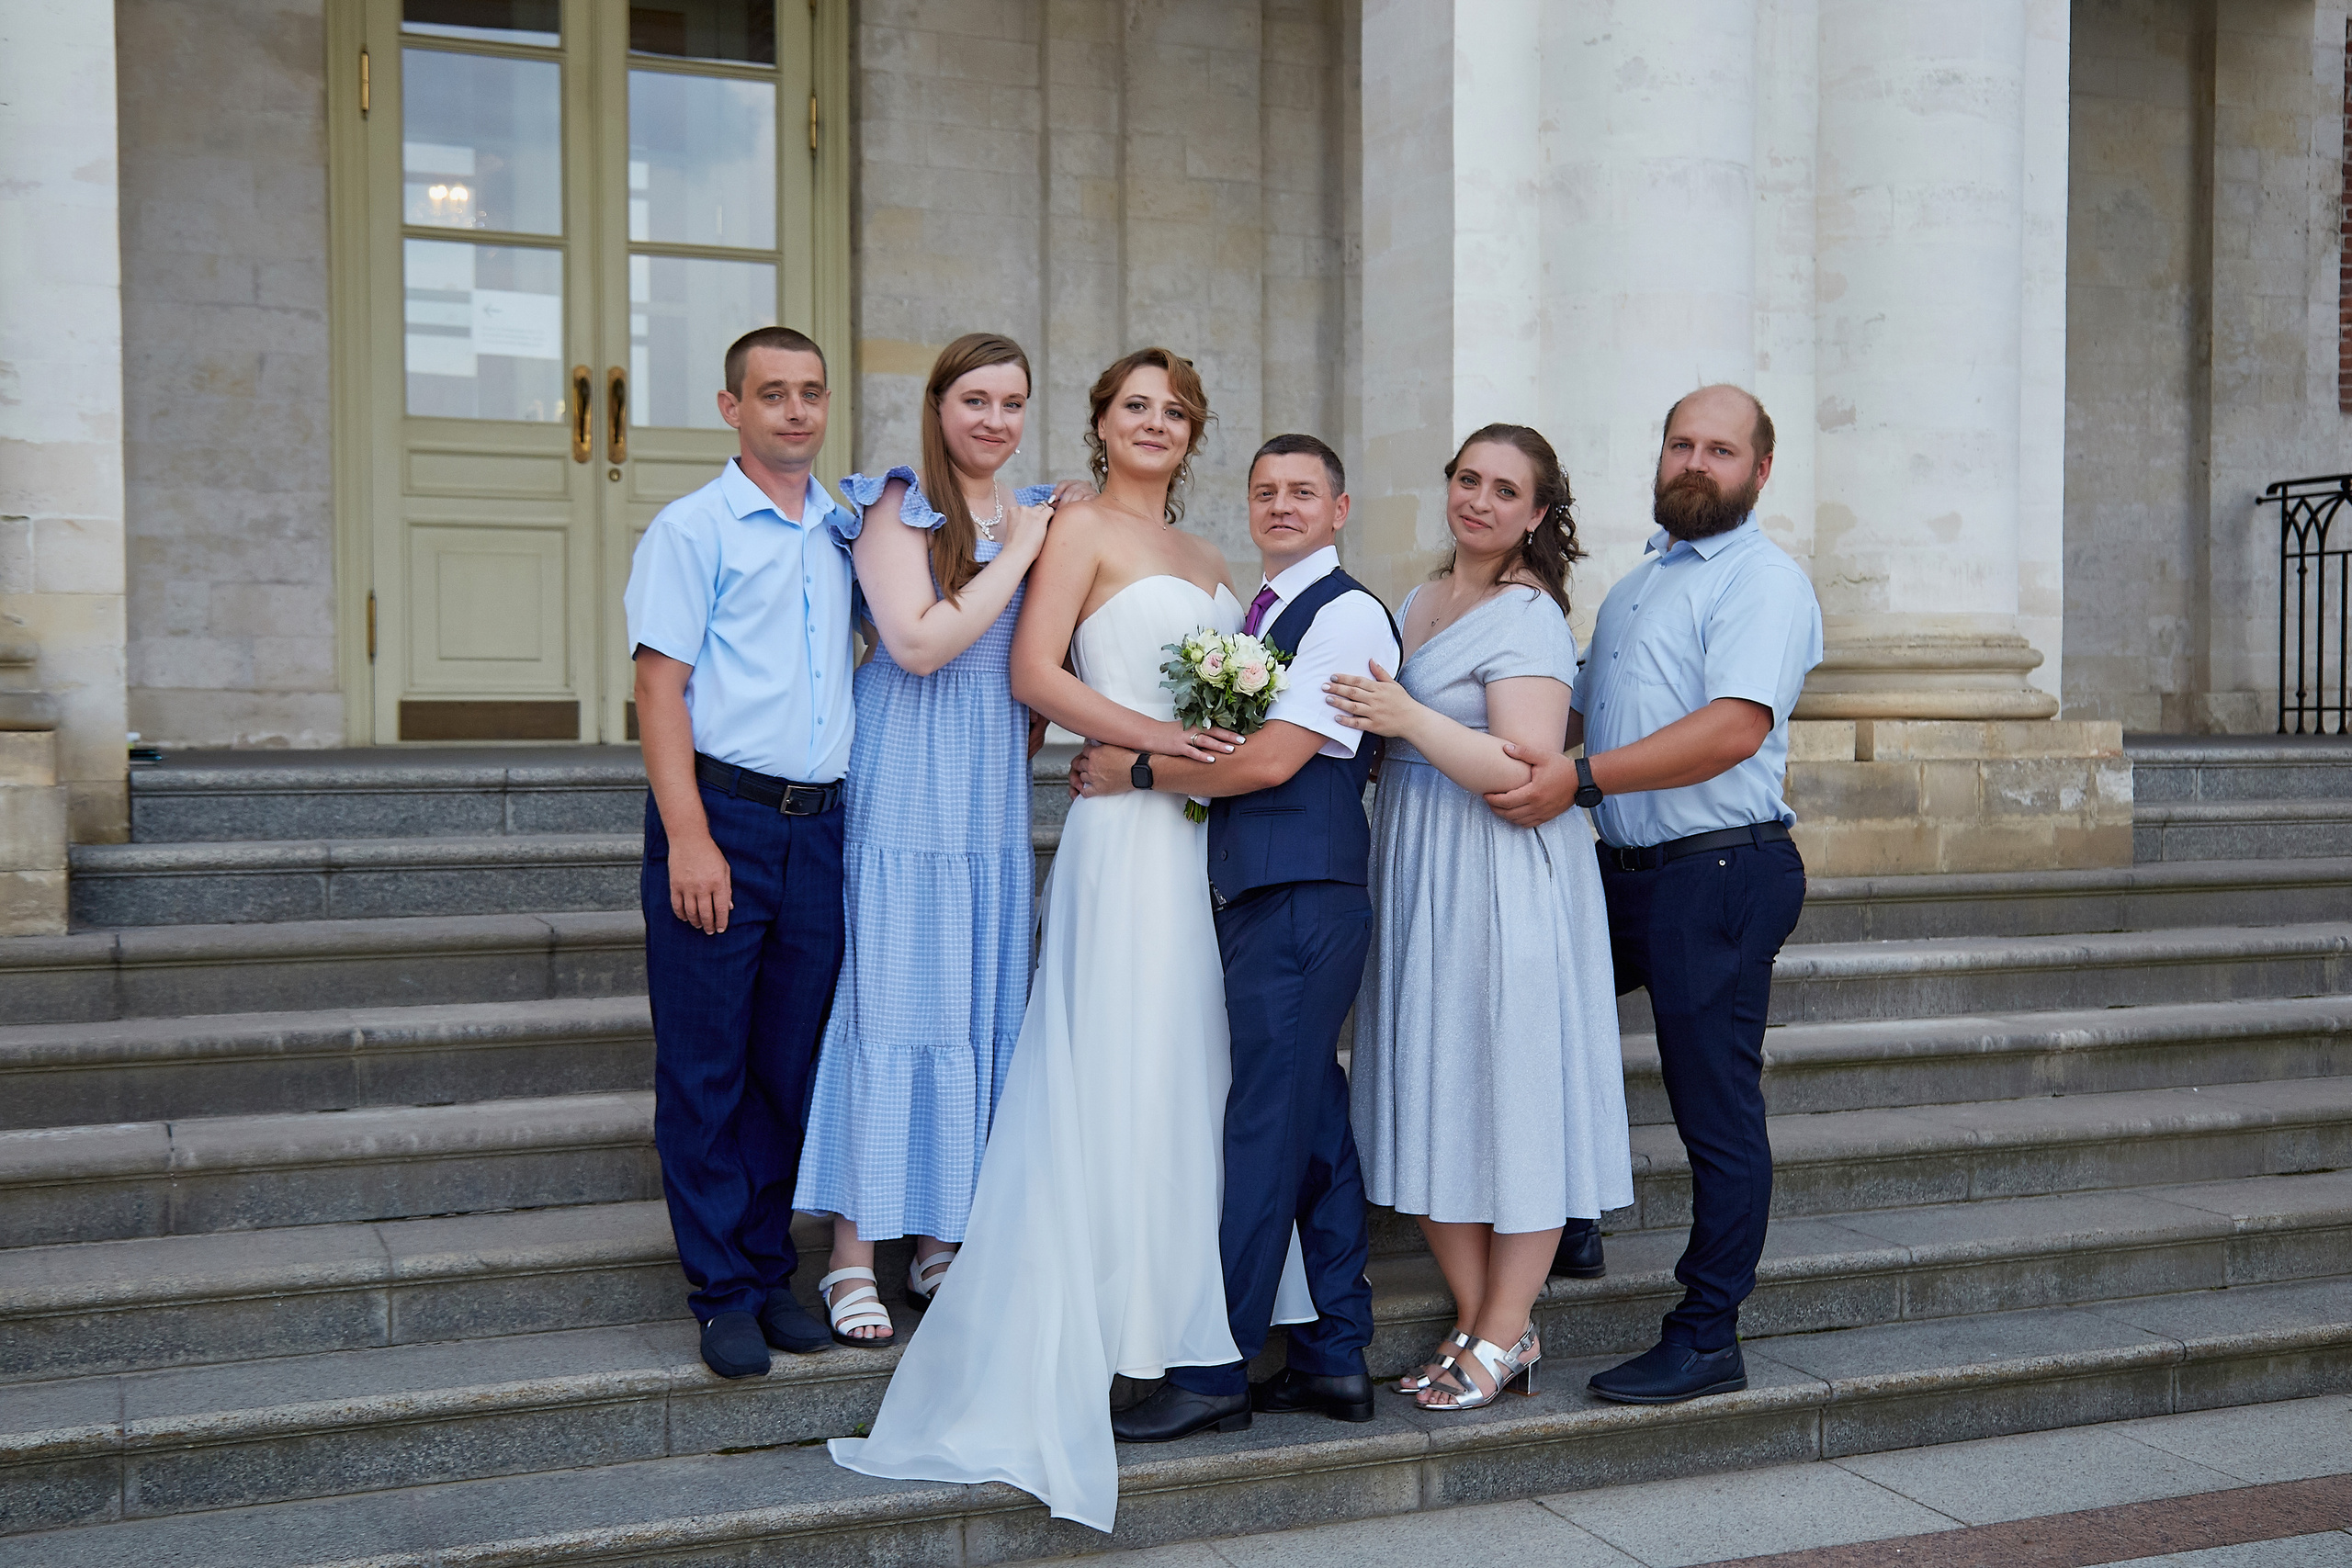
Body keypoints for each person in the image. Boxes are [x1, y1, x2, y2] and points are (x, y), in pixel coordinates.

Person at [831, 348, 1301, 1533]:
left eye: (1175, 411)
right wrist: (1154, 740)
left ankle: (1180, 1310)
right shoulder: (1071, 528)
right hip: (1122, 836)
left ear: (1195, 435)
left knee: (1194, 1061)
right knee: (1112, 1055)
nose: (1155, 423)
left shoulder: (1214, 562)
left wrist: (1201, 749)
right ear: (1099, 425)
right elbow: (1033, 675)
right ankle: (1095, 1316)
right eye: (1133, 406)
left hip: (1195, 834)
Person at [1484, 384, 1823, 1405]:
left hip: (1718, 870)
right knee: (1541, 1014)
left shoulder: (1762, 582)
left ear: (1759, 472)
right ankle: (1572, 1215)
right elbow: (1572, 707)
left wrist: (1579, 781)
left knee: (1713, 1110)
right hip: (1621, 871)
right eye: (1680, 443)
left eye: (1720, 450)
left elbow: (1732, 730)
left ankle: (1707, 1330)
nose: (1693, 462)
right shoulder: (1640, 582)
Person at [1069, 433, 1401, 1442]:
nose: (1282, 505)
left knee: (1259, 1126)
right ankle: (1336, 1355)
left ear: (1340, 509)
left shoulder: (1343, 615)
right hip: (1264, 896)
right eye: (1266, 491)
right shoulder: (1260, 614)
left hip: (1302, 897)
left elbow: (1268, 764)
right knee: (1305, 1121)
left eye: (1304, 491)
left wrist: (1132, 771)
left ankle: (1215, 1367)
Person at [1324, 423, 1634, 1411]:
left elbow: (1523, 771)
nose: (1481, 501)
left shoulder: (1526, 614)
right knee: (1431, 1084)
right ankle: (1486, 1322)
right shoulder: (1417, 600)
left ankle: (1499, 1331)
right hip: (1415, 861)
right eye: (1468, 479)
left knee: (1515, 1091)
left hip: (1502, 874)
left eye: (1506, 490)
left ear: (1537, 515)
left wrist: (1408, 720)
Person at [793, 333, 1082, 1347]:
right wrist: (1025, 551)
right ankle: (850, 1252)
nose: (994, 421)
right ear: (938, 404)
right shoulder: (896, 502)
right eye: (975, 400)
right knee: (895, 997)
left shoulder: (1033, 512)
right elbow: (916, 644)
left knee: (971, 996)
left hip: (988, 788)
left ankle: (941, 1233)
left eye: (1012, 402)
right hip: (908, 771)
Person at [621, 326, 852, 1379]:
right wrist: (690, 840)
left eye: (809, 393)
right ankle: (720, 1292)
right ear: (731, 408)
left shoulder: (846, 530)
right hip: (723, 822)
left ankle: (768, 1273)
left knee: (786, 1067)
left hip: (823, 829)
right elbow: (659, 689)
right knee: (707, 1068)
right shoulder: (693, 528)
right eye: (772, 394)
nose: (794, 411)